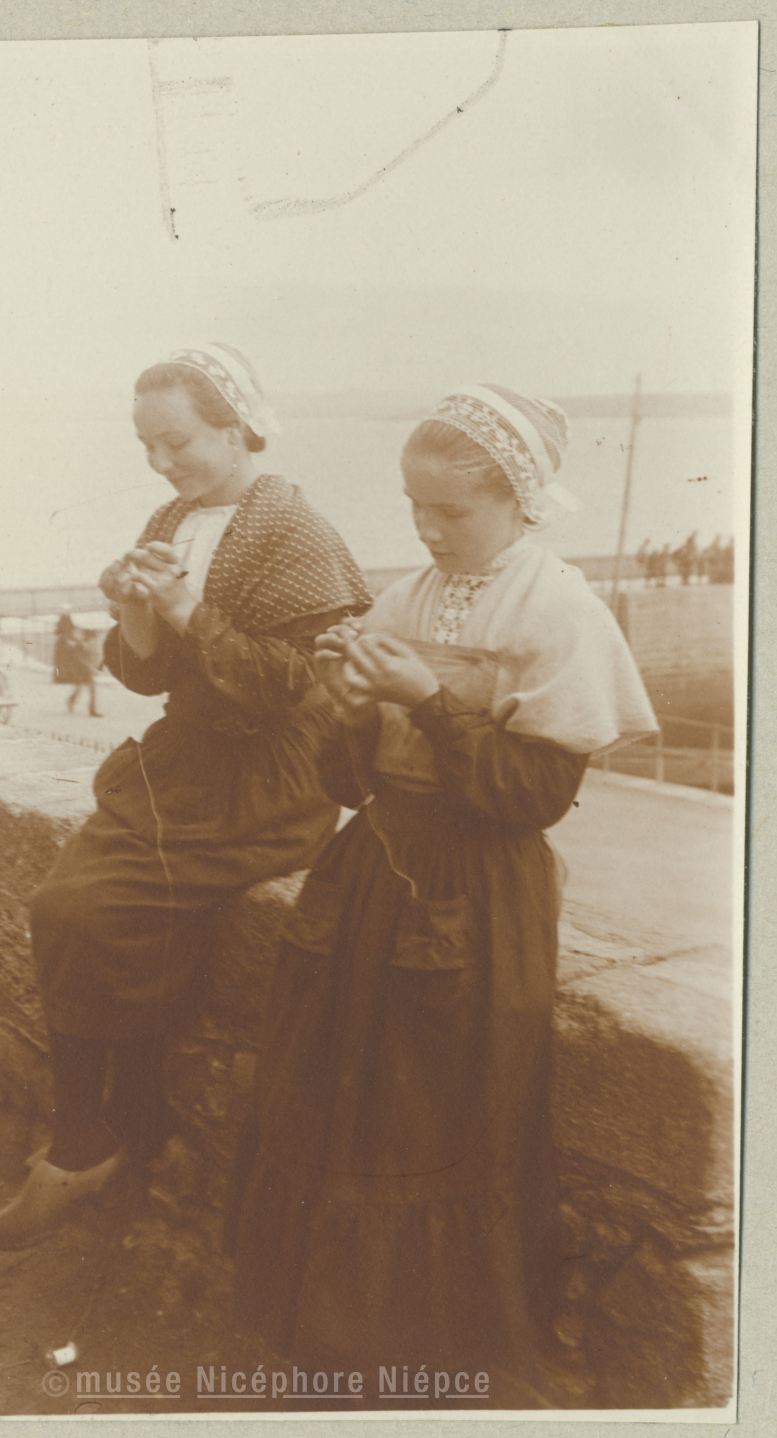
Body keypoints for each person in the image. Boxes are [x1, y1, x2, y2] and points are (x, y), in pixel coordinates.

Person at [226, 384, 658, 1406]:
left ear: (517, 500)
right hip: (372, 874)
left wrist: (424, 701)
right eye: (414, 506)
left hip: (477, 889)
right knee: (342, 1100)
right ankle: (339, 1339)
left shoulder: (556, 610)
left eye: (449, 510)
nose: (426, 529)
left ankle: (431, 1359)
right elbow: (351, 785)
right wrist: (344, 709)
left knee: (431, 1115)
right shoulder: (405, 600)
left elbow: (535, 795)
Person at [0, 343, 371, 1251]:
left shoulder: (296, 534)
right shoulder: (174, 517)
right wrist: (135, 610)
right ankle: (124, 1121)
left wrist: (189, 611)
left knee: (76, 908)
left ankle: (85, 1144)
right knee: (75, 910)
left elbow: (294, 688)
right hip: (184, 765)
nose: (160, 463)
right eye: (147, 446)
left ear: (237, 429)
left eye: (178, 442)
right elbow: (149, 677)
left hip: (269, 777)